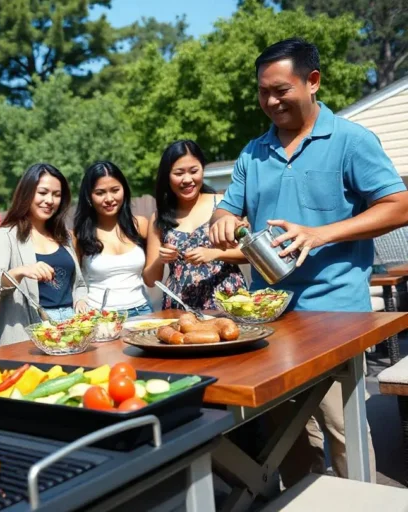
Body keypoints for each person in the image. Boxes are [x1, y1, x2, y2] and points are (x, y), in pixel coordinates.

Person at [209, 38, 408, 485]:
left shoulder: (350, 140)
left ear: (312, 81)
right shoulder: (252, 152)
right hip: (270, 317)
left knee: (341, 429)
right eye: (263, 92)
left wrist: (321, 234)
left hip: (335, 315)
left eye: (280, 90)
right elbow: (228, 208)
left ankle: (361, 499)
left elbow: (399, 205)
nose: (270, 101)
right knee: (286, 431)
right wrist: (222, 219)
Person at [0, 164, 89, 345]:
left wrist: (80, 300)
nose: (50, 200)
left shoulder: (63, 234)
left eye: (56, 195)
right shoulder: (7, 234)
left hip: (71, 327)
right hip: (30, 328)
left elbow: (79, 283)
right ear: (27, 193)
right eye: (43, 192)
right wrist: (21, 271)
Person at [143, 140, 246, 310]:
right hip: (179, 307)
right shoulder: (159, 217)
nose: (187, 179)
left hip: (227, 301)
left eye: (194, 171)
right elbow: (150, 280)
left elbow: (250, 254)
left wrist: (213, 254)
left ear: (202, 170)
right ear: (167, 176)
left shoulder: (222, 205)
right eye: (179, 173)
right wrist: (160, 260)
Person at [73, 161, 152, 317]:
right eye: (100, 193)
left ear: (124, 190)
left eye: (115, 190)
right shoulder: (79, 235)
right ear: (89, 196)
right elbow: (75, 282)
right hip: (100, 317)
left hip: (143, 312)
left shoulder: (140, 225)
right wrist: (78, 300)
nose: (109, 198)